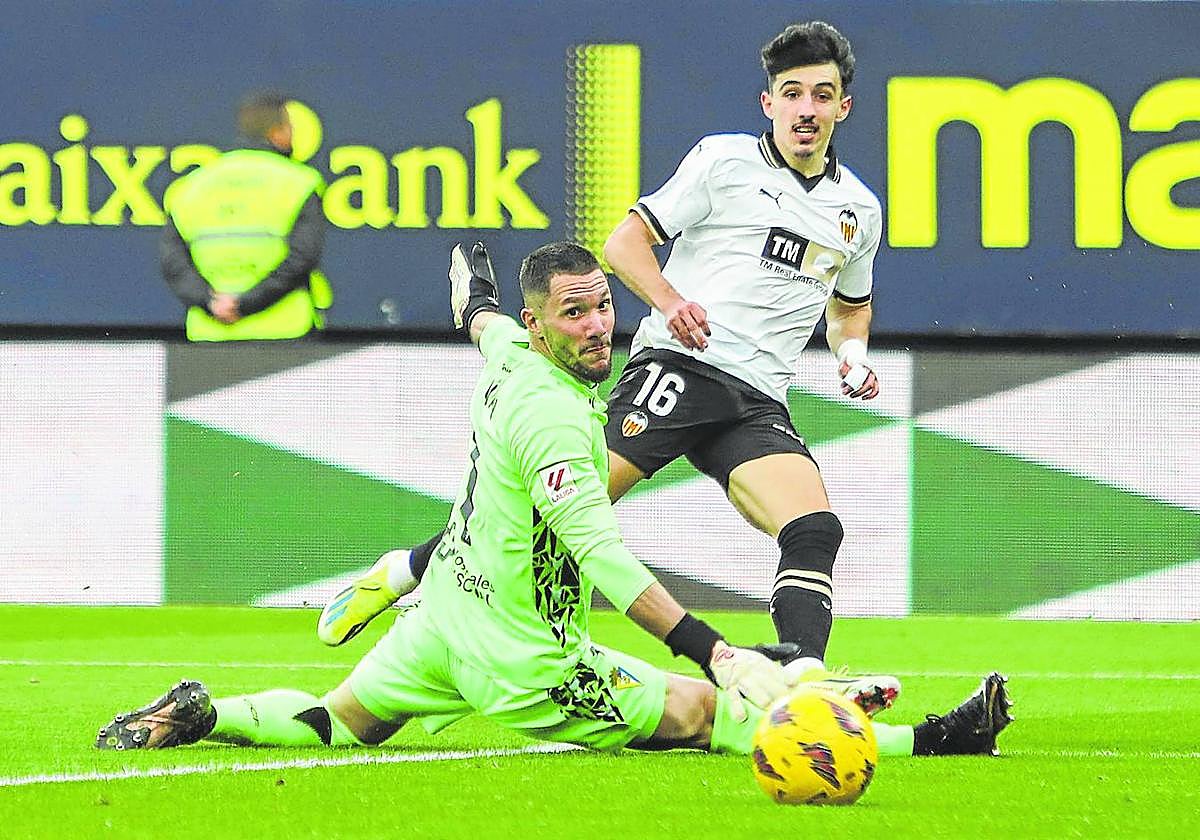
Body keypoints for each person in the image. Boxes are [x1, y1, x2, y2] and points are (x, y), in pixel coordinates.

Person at [95, 242, 1011, 758]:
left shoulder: (509, 353)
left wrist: (474, 288)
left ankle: (206, 713)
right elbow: (603, 559)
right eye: (574, 314)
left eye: (603, 306)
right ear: (544, 327)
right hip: (528, 659)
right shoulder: (558, 422)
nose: (597, 325)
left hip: (445, 616)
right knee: (706, 713)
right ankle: (935, 741)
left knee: (342, 721)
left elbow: (482, 320)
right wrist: (717, 650)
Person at [322, 21, 887, 683]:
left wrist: (852, 355)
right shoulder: (723, 162)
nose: (807, 109)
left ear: (842, 107)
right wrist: (672, 302)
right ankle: (405, 572)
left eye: (822, 95)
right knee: (545, 517)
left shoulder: (858, 211)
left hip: (757, 398)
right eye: (792, 94)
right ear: (770, 104)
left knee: (816, 528)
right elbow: (622, 245)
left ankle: (804, 679)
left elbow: (849, 308)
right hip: (679, 370)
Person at [161, 91, 331, 341]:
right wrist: (245, 304)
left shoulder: (191, 186)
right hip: (286, 332)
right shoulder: (300, 183)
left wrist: (211, 303)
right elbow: (303, 257)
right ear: (277, 133)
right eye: (290, 127)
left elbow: (173, 261)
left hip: (210, 335)